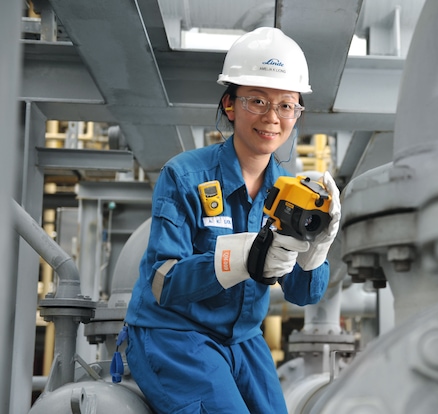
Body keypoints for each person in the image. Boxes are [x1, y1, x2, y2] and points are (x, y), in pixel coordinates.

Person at [124, 27, 340, 414]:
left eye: (287, 105)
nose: (273, 117)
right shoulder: (185, 176)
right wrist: (242, 259)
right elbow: (163, 281)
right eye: (257, 100)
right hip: (175, 335)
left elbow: (302, 294)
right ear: (230, 105)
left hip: (243, 339)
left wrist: (316, 252)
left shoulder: (290, 193)